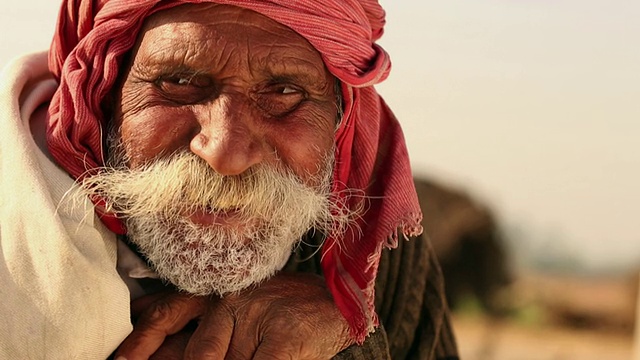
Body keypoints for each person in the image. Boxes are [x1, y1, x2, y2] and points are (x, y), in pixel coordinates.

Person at [0, 1, 459, 359]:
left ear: (339, 121)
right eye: (178, 82)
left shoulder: (365, 243)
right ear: (99, 96)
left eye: (283, 92)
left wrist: (343, 338)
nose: (225, 154)